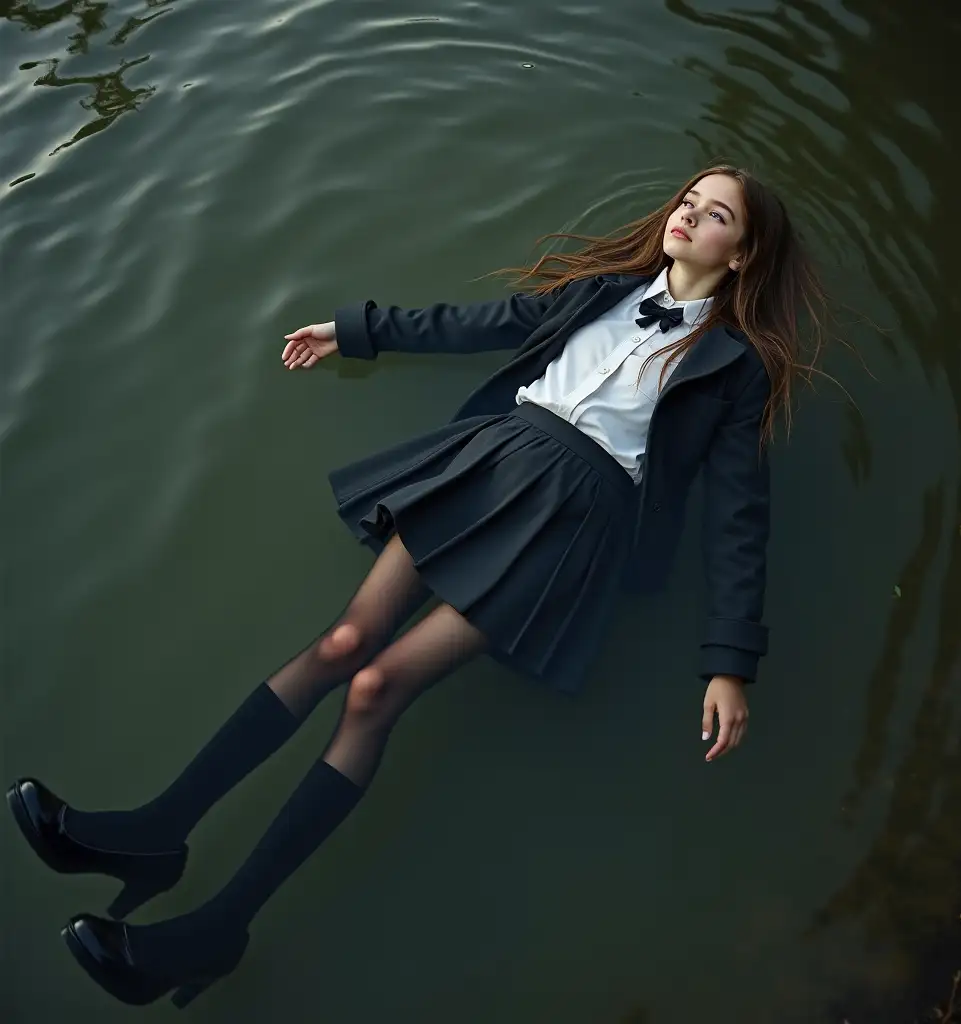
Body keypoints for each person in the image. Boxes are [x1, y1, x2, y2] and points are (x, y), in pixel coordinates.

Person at [7, 164, 830, 1008]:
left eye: (716, 213)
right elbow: (484, 322)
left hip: (574, 519)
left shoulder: (733, 368)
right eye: (688, 200)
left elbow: (739, 515)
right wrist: (356, 332)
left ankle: (218, 928)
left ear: (743, 252)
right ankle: (155, 833)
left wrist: (730, 661)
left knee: (374, 689)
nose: (690, 216)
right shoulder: (603, 291)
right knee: (341, 644)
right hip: (493, 460)